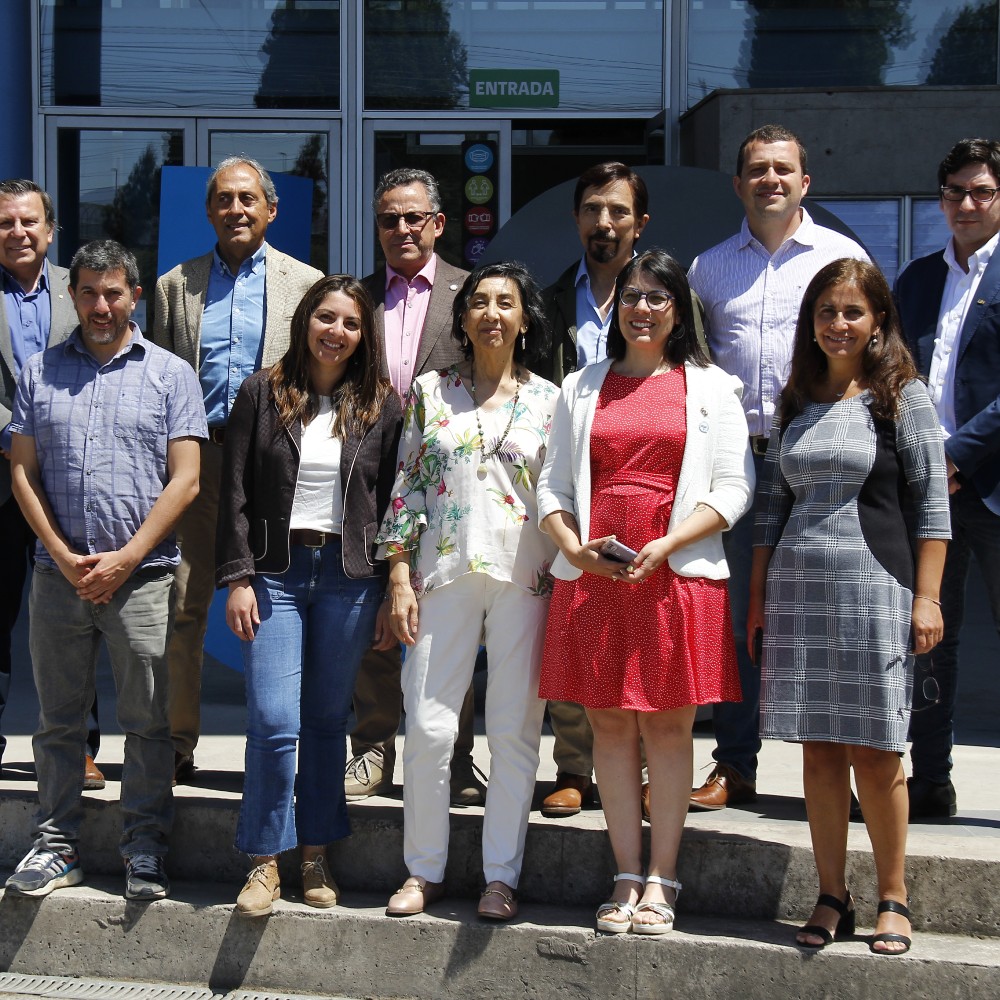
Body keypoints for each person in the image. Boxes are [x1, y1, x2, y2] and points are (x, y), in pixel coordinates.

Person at [538, 248, 753, 935]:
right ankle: (624, 873)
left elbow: (734, 488)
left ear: (678, 308)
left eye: (658, 297)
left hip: (676, 572)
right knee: (607, 723)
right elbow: (552, 484)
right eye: (631, 295)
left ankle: (663, 877)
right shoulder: (581, 384)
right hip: (597, 573)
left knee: (666, 724)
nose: (642, 308)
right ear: (615, 305)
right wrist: (573, 548)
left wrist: (669, 542)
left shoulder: (712, 387)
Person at [748, 258, 949, 955]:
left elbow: (934, 510)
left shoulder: (904, 399)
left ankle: (894, 894)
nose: (838, 324)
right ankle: (833, 892)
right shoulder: (796, 401)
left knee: (878, 751)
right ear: (812, 322)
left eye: (853, 312)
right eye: (827, 312)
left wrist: (927, 598)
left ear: (879, 321)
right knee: (819, 753)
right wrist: (757, 601)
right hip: (799, 592)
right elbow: (772, 509)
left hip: (876, 589)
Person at [5, 240, 206, 899]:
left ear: (135, 297)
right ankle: (55, 846)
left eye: (113, 293)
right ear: (73, 297)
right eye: (88, 292)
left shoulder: (171, 374)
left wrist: (125, 559)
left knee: (147, 723)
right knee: (58, 721)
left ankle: (143, 848)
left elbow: (186, 482)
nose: (100, 305)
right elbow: (21, 473)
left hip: (142, 580)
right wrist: (62, 556)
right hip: (57, 578)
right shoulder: (39, 373)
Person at [686, 124, 869, 810]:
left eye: (782, 169)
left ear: (804, 181)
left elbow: (871, 359)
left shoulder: (840, 257)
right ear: (738, 184)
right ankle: (735, 764)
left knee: (830, 617)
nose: (770, 180)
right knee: (739, 620)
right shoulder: (708, 269)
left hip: (821, 462)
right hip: (738, 465)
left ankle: (846, 773)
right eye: (757, 170)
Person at [216, 274, 402, 918]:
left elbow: (389, 503)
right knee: (273, 721)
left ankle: (315, 853)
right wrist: (238, 576)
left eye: (350, 323)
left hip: (349, 579)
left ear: (363, 334)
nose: (336, 332)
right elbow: (234, 490)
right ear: (305, 321)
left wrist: (387, 588)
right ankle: (265, 861)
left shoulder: (382, 404)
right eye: (326, 317)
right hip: (277, 573)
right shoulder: (261, 394)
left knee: (327, 723)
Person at [377, 261, 557, 921]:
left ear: (524, 319)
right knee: (427, 727)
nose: (490, 314)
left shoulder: (549, 400)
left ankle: (499, 876)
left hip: (524, 579)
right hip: (440, 573)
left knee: (513, 730)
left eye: (505, 303)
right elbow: (405, 487)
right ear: (463, 319)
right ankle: (422, 871)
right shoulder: (431, 391)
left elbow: (562, 497)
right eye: (478, 302)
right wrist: (398, 574)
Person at [153, 156, 323, 783]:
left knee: (280, 606)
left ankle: (283, 747)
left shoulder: (306, 285)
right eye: (224, 199)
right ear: (209, 211)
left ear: (270, 210)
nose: (236, 210)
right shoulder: (177, 286)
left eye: (248, 199)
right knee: (184, 604)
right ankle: (176, 741)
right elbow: (160, 384)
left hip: (274, 468)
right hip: (198, 462)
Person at [348, 168, 479, 805]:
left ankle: (454, 758)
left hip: (449, 483)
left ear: (437, 223)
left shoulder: (470, 293)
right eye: (387, 219)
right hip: (367, 482)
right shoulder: (357, 298)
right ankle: (371, 748)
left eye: (412, 217)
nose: (400, 229)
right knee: (370, 618)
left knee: (450, 617)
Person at [895, 137, 1000, 820]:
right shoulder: (916, 280)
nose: (967, 203)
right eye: (956, 192)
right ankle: (931, 779)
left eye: (982, 192)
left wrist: (959, 456)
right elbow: (896, 375)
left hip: (989, 485)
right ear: (940, 200)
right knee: (931, 636)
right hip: (929, 490)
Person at [0, 179, 104, 789]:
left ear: (50, 230)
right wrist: (15, 439)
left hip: (69, 479)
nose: (17, 232)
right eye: (6, 222)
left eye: (28, 222)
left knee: (75, 611)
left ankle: (79, 746)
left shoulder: (79, 290)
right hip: (0, 475)